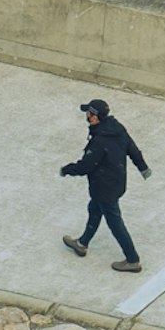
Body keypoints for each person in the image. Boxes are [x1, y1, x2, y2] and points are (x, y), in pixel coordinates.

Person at [60, 98, 151, 273]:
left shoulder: (99, 141)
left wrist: (66, 169)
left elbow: (86, 166)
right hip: (116, 182)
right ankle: (82, 243)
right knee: (94, 209)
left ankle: (133, 260)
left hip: (104, 187)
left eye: (88, 113)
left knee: (115, 223)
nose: (86, 115)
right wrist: (143, 168)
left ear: (94, 117)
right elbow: (132, 149)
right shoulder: (117, 128)